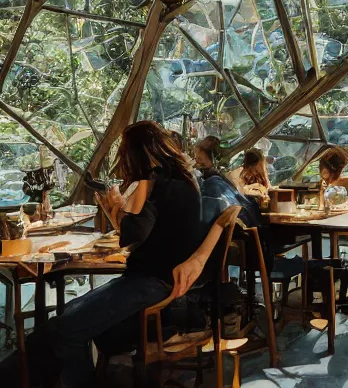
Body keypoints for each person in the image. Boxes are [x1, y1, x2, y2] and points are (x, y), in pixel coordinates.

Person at [0, 122, 208, 388]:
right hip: (154, 278)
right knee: (69, 315)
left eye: (124, 151)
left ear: (137, 152)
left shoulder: (161, 182)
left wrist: (117, 207)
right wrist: (117, 209)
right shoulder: (181, 178)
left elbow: (134, 234)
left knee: (65, 330)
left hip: (152, 283)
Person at [194, 135, 260, 227]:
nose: (195, 161)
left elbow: (203, 221)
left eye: (199, 159)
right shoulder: (220, 182)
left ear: (212, 159)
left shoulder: (213, 184)